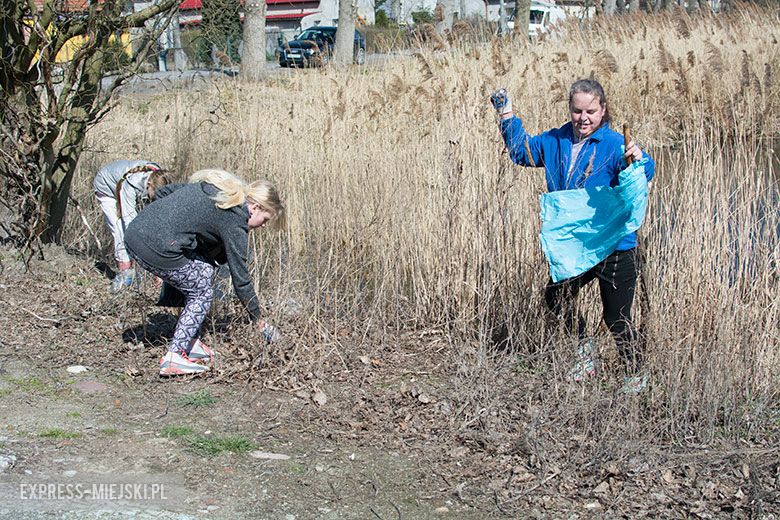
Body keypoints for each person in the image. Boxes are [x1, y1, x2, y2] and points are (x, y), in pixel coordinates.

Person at [490, 78, 656, 394]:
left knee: (616, 318)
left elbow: (644, 172)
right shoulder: (556, 140)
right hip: (575, 248)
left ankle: (634, 375)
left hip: (615, 246)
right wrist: (506, 113)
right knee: (556, 296)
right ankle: (585, 350)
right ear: (570, 109)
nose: (583, 118)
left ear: (603, 110)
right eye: (578, 111)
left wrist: (640, 160)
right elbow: (521, 151)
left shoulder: (615, 145)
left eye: (591, 111)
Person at [124, 169, 285, 376]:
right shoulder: (235, 220)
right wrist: (258, 318)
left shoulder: (217, 190)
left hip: (134, 233)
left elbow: (162, 193)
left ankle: (190, 342)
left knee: (202, 268)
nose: (262, 226)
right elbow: (240, 278)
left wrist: (171, 226)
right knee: (202, 292)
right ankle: (174, 356)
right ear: (255, 207)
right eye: (265, 219)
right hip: (153, 246)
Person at [93, 160, 171, 292]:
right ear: (149, 186)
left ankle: (158, 281)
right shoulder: (130, 185)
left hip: (131, 188)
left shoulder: (159, 176)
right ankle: (125, 273)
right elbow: (130, 224)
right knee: (119, 230)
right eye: (156, 196)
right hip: (106, 187)